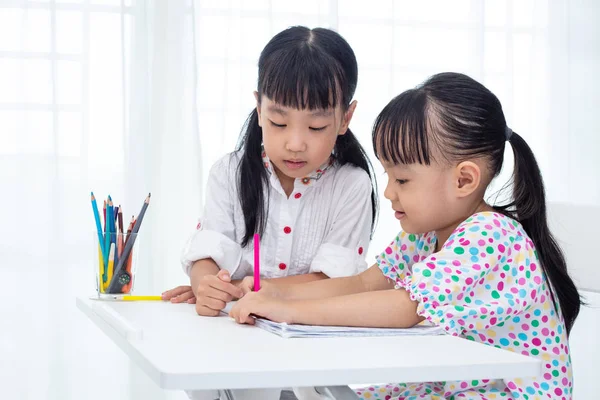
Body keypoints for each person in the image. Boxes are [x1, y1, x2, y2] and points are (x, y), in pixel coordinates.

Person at [231, 72, 582, 400]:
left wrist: (287, 311)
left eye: (402, 180)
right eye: (387, 176)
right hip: (449, 384)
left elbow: (405, 309)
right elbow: (365, 284)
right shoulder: (425, 234)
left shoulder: (490, 235)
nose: (387, 192)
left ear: (464, 180)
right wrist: (275, 290)